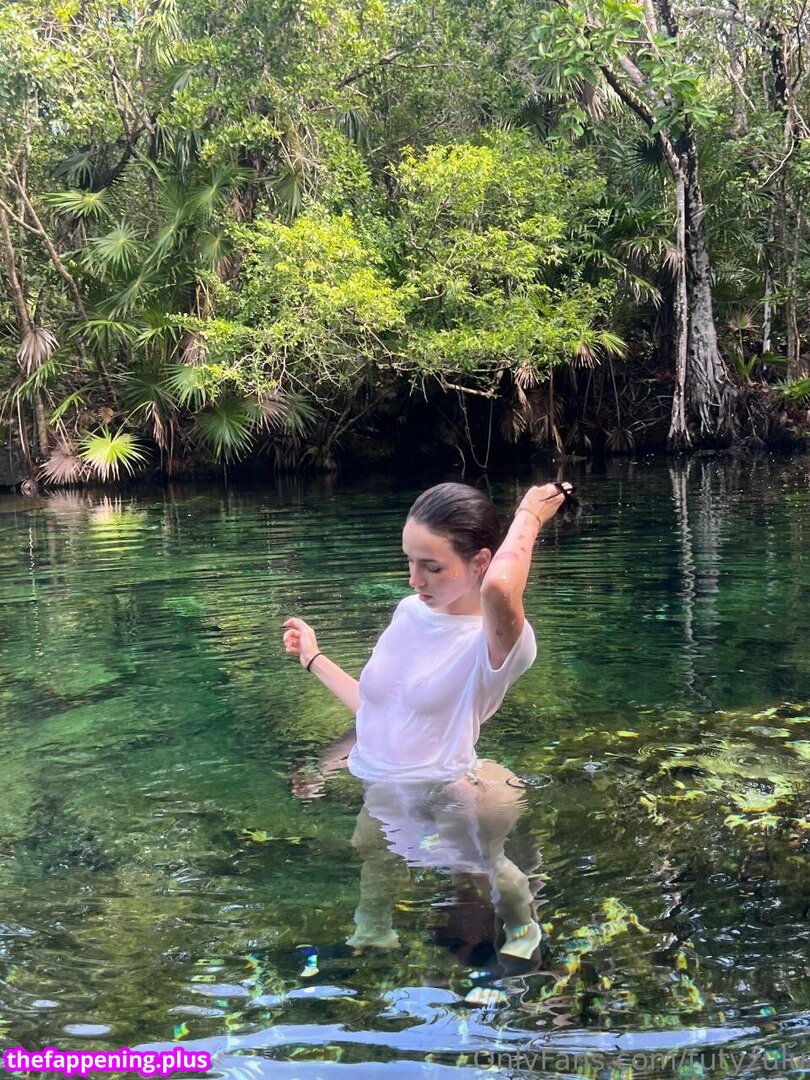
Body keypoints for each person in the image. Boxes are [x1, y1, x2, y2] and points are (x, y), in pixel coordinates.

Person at [282, 480, 572, 961]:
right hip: (381, 782)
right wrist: (313, 658)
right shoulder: (410, 613)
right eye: (410, 562)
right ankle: (372, 933)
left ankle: (523, 932)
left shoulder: (497, 645)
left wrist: (530, 514)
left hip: (444, 789)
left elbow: (500, 586)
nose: (415, 580)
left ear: (479, 561)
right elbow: (379, 710)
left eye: (432, 567)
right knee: (372, 852)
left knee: (482, 864)